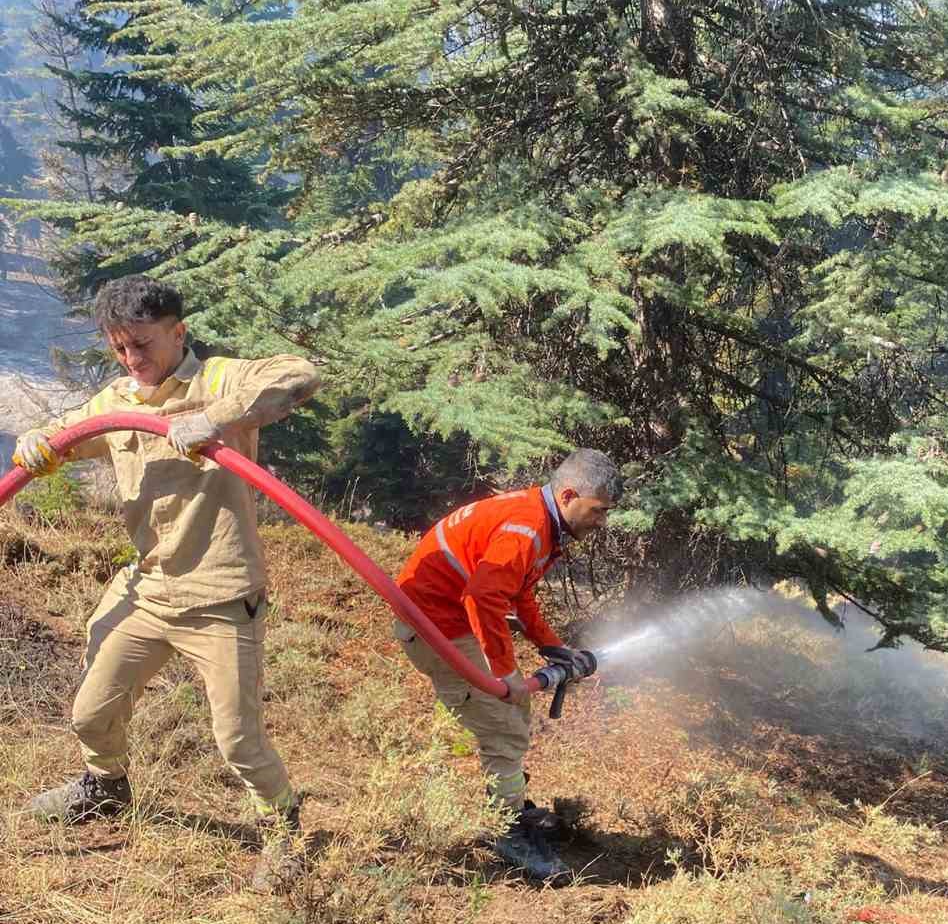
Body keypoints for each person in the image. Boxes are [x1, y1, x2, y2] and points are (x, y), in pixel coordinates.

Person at [11, 275, 321, 891]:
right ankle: (105, 787)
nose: (132, 360)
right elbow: (65, 437)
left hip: (221, 596)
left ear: (178, 332)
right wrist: (35, 444)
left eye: (144, 345)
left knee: (237, 740)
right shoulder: (118, 400)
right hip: (148, 592)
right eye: (119, 348)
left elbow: (299, 375)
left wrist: (215, 418)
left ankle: (284, 829)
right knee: (89, 714)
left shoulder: (221, 380)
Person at [394, 449, 621, 881]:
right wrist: (505, 672)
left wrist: (552, 647)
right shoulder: (527, 526)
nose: (601, 521)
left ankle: (510, 805)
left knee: (514, 715)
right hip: (434, 626)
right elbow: (482, 597)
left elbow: (517, 593)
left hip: (451, 620)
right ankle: (506, 831)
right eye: (598, 511)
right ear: (570, 494)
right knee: (503, 725)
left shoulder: (540, 522)